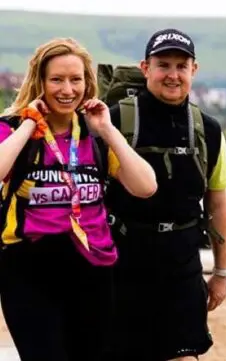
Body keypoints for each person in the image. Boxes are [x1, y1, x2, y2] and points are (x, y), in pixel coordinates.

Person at [0, 37, 157, 361]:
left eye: (76, 79)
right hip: (28, 267)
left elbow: (146, 187)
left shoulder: (95, 136)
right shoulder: (12, 129)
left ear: (87, 83)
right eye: (56, 79)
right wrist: (31, 123)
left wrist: (108, 130)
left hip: (92, 266)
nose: (67, 89)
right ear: (40, 81)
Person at [104, 28, 226, 361]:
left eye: (181, 65)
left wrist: (221, 273)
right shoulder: (116, 120)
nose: (173, 75)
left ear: (194, 70)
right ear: (145, 68)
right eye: (163, 65)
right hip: (121, 266)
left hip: (182, 268)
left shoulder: (208, 129)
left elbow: (217, 203)